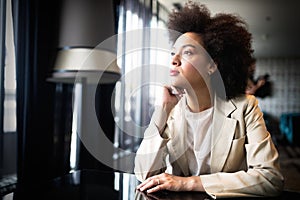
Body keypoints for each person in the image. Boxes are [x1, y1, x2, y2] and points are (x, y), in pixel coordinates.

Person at [134, 1, 284, 199]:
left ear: (212, 65)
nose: (174, 60)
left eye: (187, 52)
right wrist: (162, 110)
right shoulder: (171, 110)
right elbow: (144, 175)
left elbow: (271, 178)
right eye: (173, 53)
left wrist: (189, 183)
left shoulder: (245, 107)